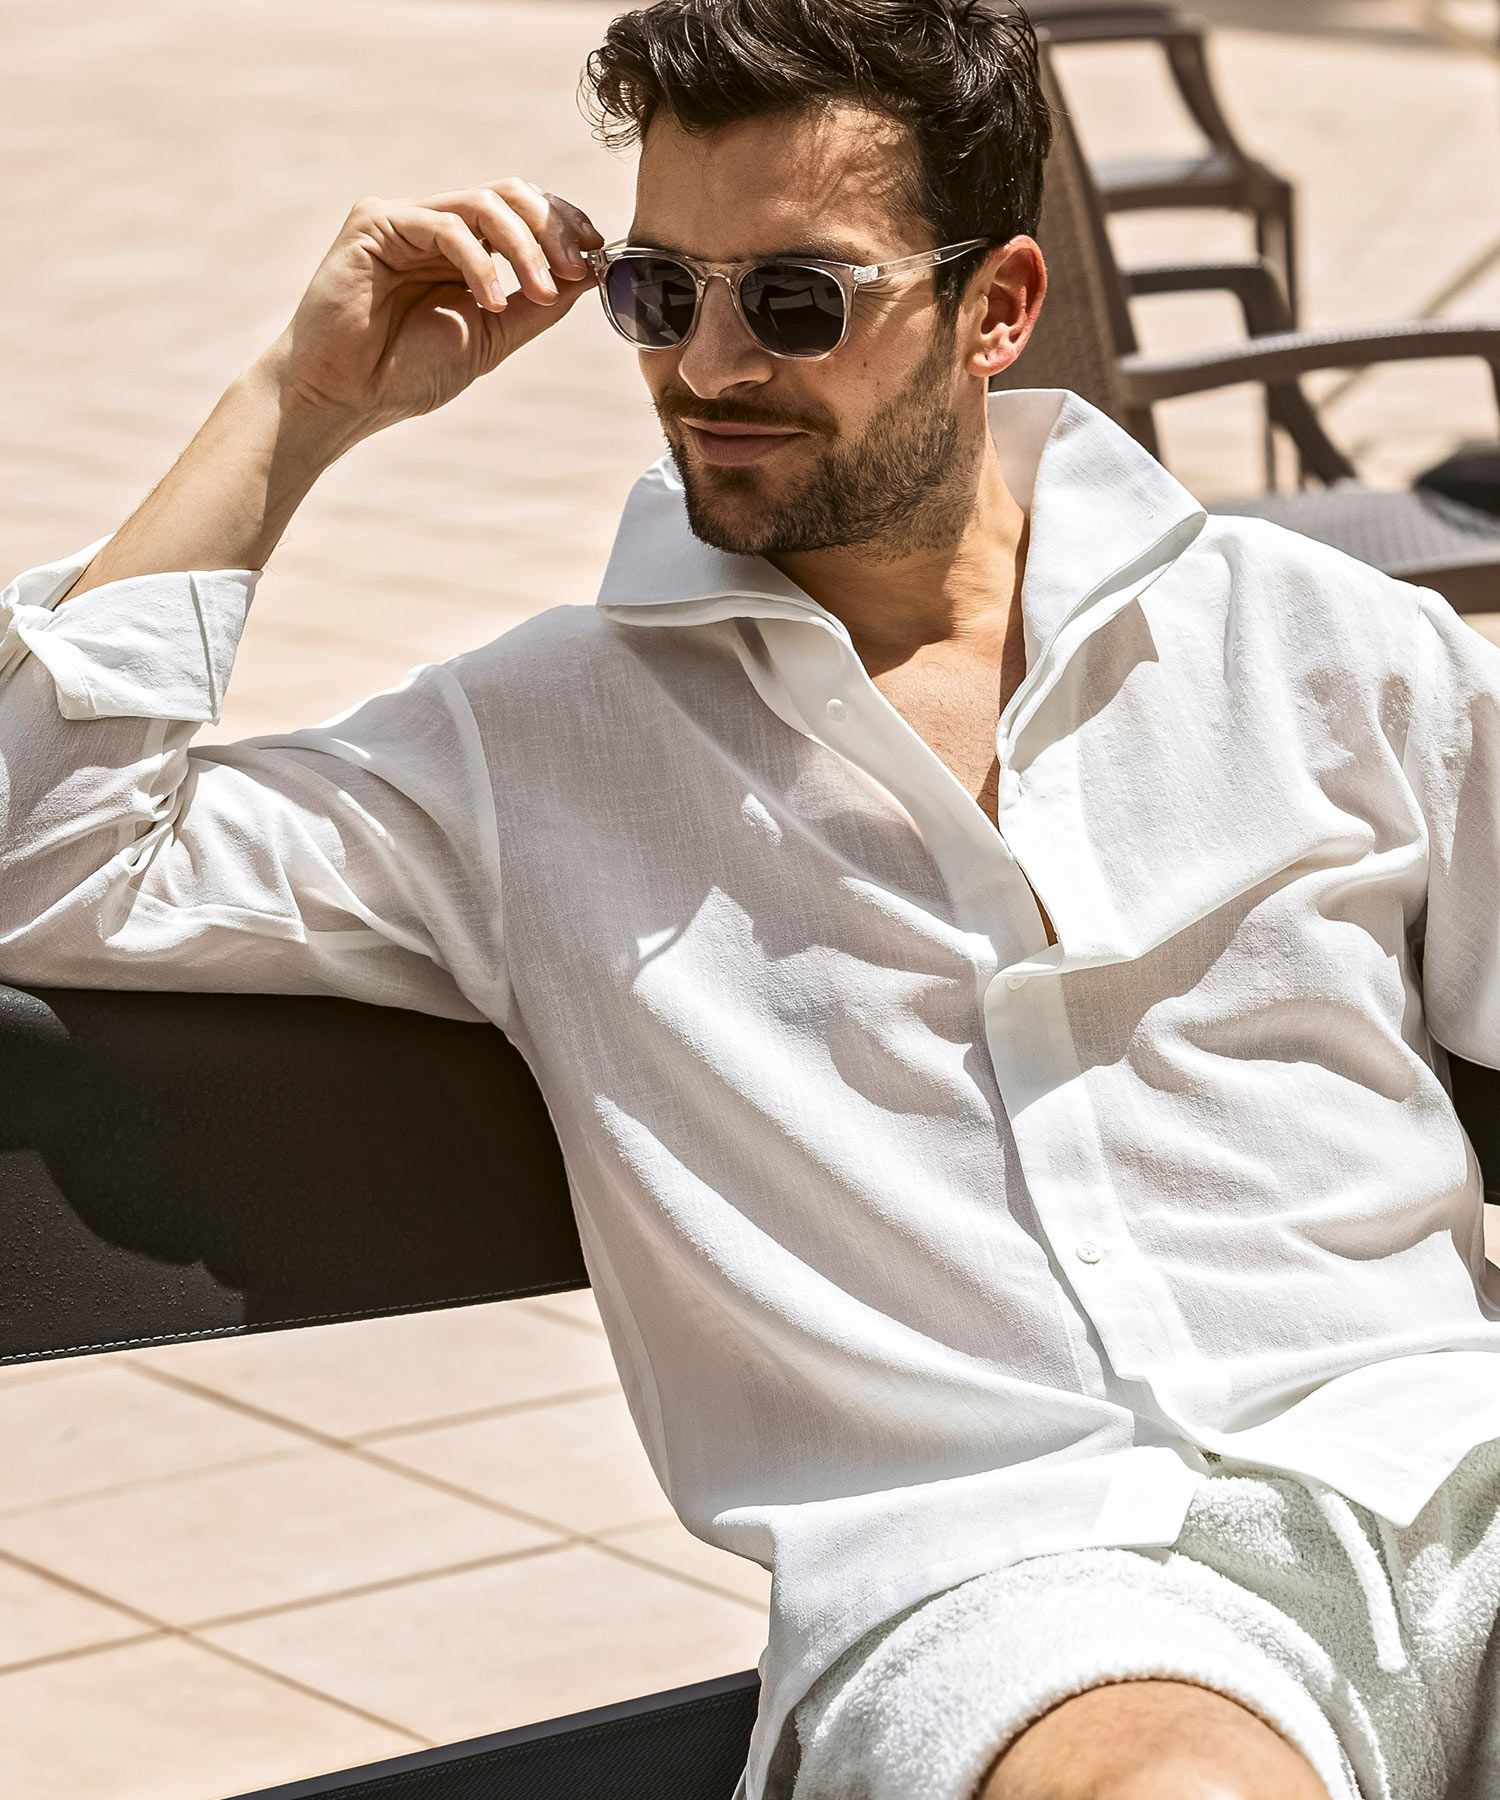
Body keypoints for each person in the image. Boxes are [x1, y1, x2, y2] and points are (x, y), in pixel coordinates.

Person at [5, 0, 1500, 1795]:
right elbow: (40, 858)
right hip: (1018, 1589)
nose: (708, 365)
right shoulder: (535, 746)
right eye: (659, 292)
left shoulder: (1322, 644)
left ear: (999, 306)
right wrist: (295, 409)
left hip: (1453, 1468)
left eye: (796, 300)